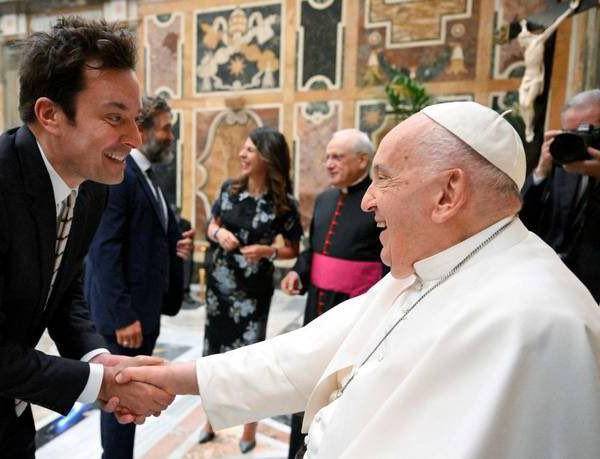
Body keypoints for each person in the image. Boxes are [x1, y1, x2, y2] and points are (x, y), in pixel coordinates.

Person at [117, 101, 600, 458]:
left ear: (448, 193)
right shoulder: (434, 263)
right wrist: (178, 377)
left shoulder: (540, 324)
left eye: (383, 179)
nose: (368, 200)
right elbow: (301, 356)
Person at [0, 17, 174, 458]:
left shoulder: (93, 188)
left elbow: (64, 294)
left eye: (135, 120)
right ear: (50, 114)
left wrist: (99, 358)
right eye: (115, 118)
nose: (134, 138)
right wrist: (100, 384)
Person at [85, 95, 195, 458]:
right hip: (126, 319)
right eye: (165, 128)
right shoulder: (121, 174)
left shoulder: (147, 175)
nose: (171, 136)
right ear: (142, 130)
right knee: (120, 403)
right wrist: (122, 316)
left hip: (143, 311)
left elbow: (146, 234)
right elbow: (104, 249)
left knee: (130, 406)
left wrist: (174, 243)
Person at [280, 129, 384, 458]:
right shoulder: (324, 200)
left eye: (337, 157)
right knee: (306, 383)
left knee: (341, 393)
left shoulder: (378, 201)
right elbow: (312, 250)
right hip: (315, 309)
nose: (328, 163)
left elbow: (387, 263)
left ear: (363, 160)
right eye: (327, 156)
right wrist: (298, 272)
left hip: (356, 315)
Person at [201, 126, 303, 453]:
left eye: (249, 150)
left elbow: (293, 249)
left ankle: (249, 429)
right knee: (213, 357)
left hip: (253, 293)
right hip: (219, 289)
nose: (241, 155)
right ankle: (210, 421)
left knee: (250, 360)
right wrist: (218, 234)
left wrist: (267, 251)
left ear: (267, 156)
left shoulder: (284, 203)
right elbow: (211, 224)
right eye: (243, 149)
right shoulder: (229, 189)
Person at [520, 89, 600, 302]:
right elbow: (522, 219)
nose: (581, 142)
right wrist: (541, 172)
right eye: (571, 134)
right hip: (552, 285)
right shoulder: (563, 161)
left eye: (588, 132)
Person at [517, 0, 580, 142]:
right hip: (526, 78)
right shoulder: (527, 46)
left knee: (527, 103)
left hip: (535, 78)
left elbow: (555, 25)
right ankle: (528, 126)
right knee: (522, 105)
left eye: (522, 40)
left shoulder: (538, 41)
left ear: (526, 39)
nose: (520, 42)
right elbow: (523, 29)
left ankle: (529, 129)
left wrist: (570, 10)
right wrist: (523, 24)